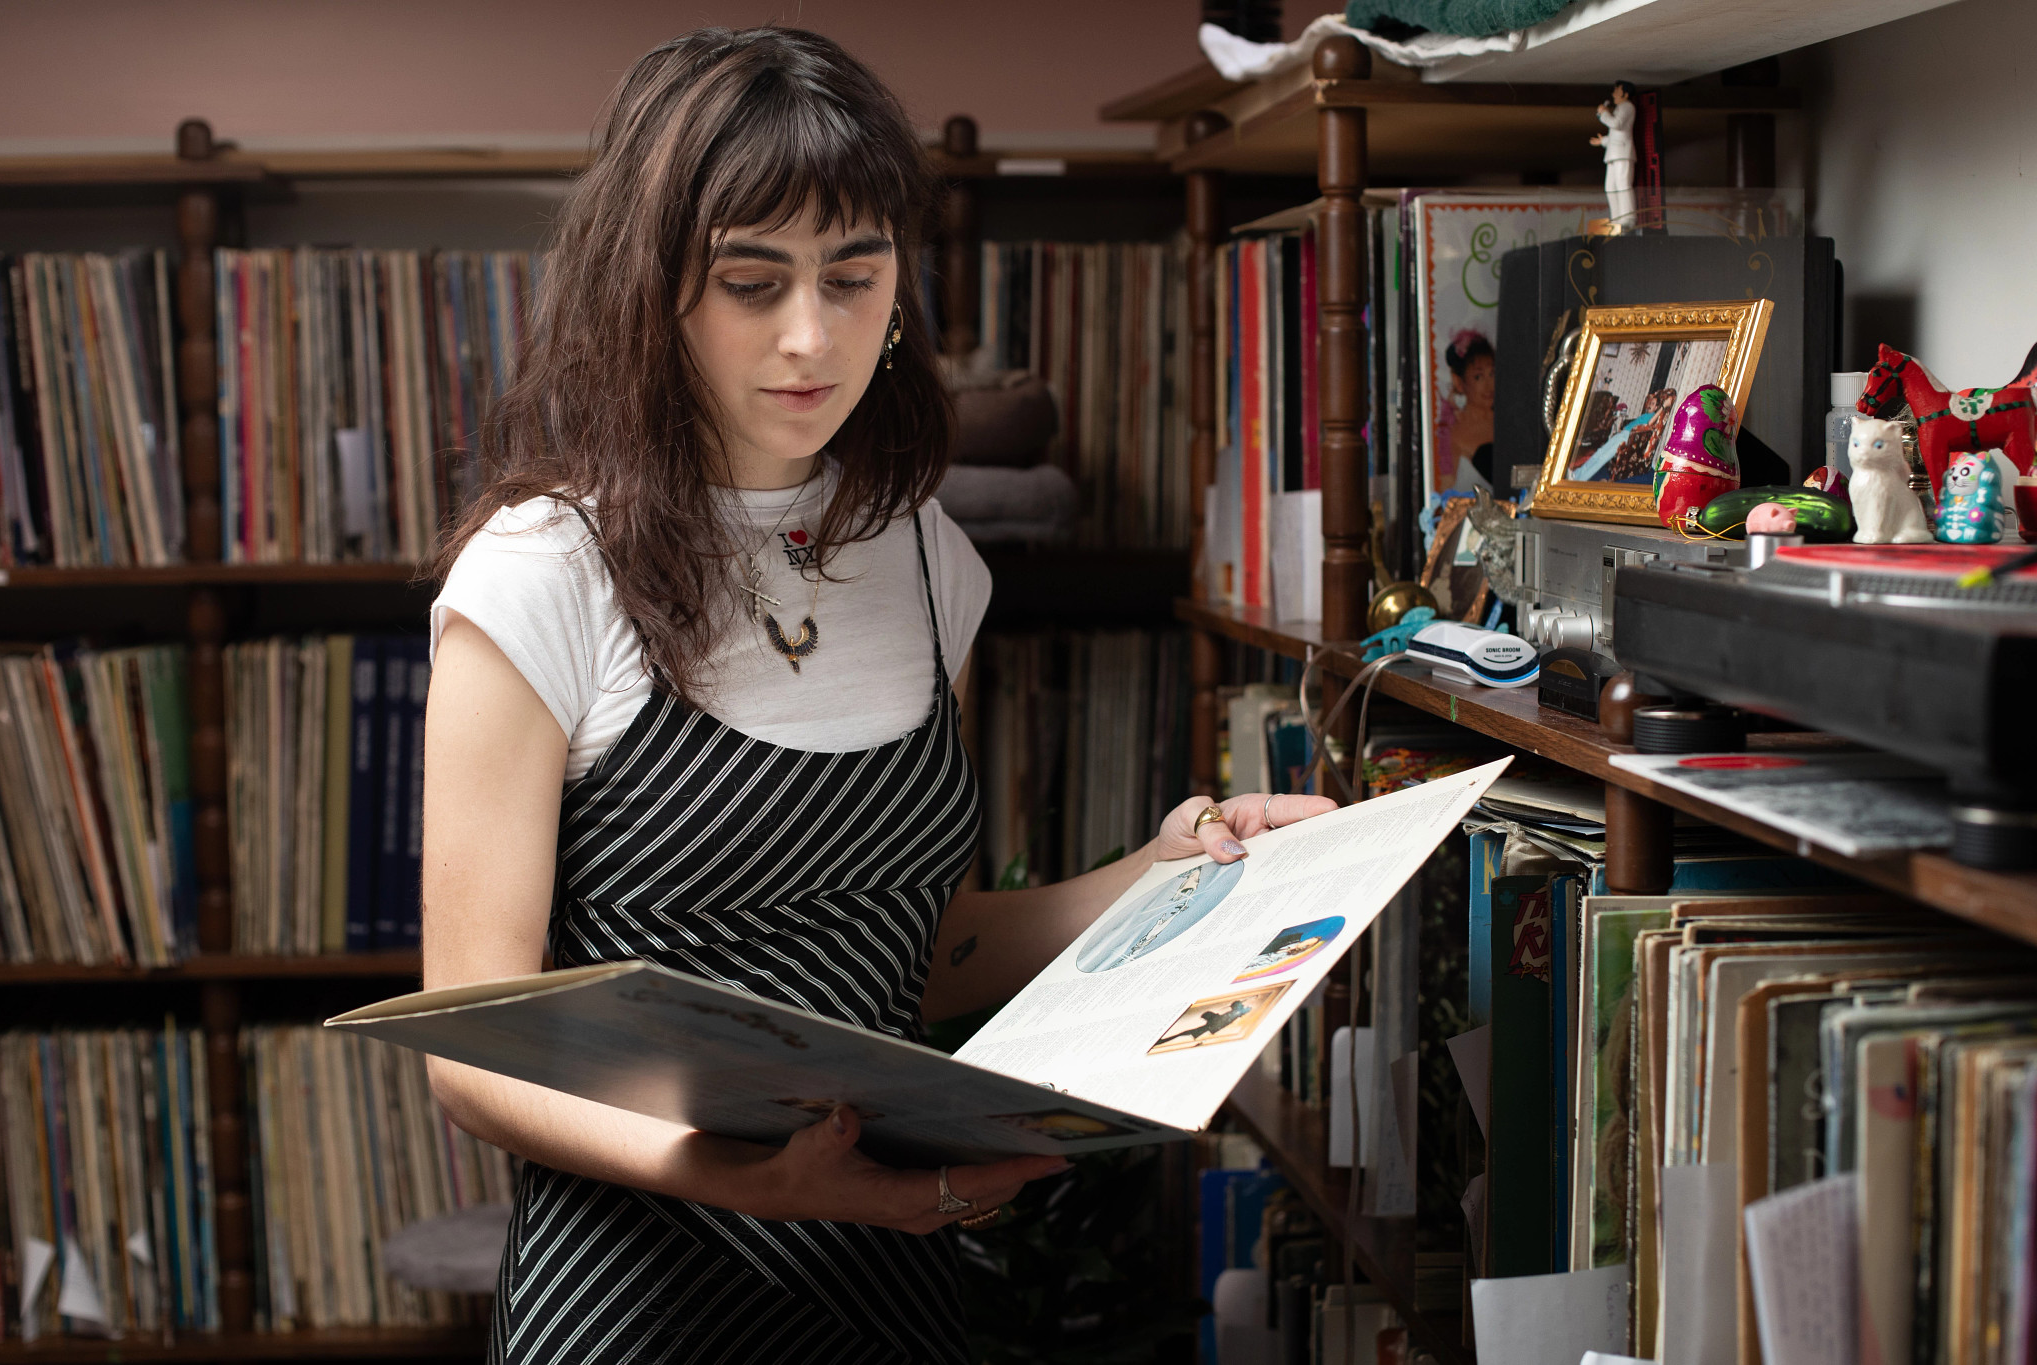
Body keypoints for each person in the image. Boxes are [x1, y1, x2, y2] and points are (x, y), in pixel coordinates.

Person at [418, 28, 1335, 1364]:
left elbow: (924, 940)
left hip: (894, 1275)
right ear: (651, 285)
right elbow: (475, 1053)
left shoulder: (926, 556)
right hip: (636, 1296)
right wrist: (756, 1181)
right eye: (752, 281)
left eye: (855, 277)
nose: (811, 336)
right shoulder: (539, 575)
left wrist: (1169, 871)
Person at [1436, 329, 1495, 490]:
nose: (1489, 385)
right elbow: (1444, 492)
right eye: (1478, 377)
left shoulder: (1510, 419)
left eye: (1492, 374)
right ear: (1459, 382)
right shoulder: (1452, 433)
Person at [1590, 80, 1638, 227]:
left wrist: (1604, 113)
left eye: (1617, 91)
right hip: (1614, 153)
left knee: (1623, 185)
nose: (1613, 94)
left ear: (1625, 93)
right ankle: (1617, 218)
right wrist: (1603, 141)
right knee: (1610, 187)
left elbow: (1617, 124)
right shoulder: (1619, 108)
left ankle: (1628, 217)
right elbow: (1615, 134)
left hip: (1623, 152)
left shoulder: (1627, 107)